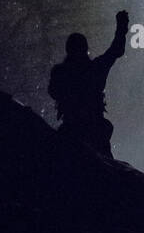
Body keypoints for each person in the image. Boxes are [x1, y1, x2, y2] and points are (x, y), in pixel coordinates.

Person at [48, 10, 129, 156]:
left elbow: (53, 92)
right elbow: (116, 50)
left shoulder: (61, 73)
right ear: (86, 49)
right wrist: (121, 28)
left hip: (72, 132)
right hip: (95, 132)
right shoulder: (95, 68)